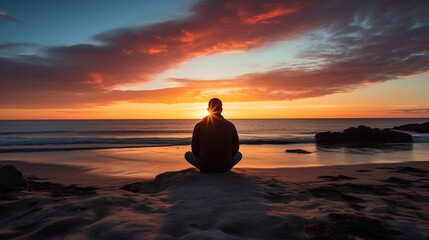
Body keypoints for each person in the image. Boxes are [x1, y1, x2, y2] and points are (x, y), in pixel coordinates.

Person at [184, 98, 242, 173]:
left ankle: (206, 167)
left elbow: (195, 151)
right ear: (221, 109)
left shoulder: (198, 125)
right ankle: (225, 168)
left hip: (204, 166)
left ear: (208, 110)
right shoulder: (230, 125)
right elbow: (235, 149)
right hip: (225, 166)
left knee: (187, 154)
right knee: (239, 154)